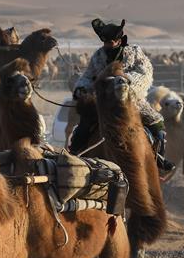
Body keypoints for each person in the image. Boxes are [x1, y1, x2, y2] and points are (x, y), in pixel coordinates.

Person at [71, 18, 175, 172]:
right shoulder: (98, 56)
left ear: (119, 40)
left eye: (111, 41)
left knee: (157, 125)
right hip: (103, 101)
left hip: (131, 100)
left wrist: (126, 82)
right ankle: (75, 156)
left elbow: (145, 72)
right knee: (82, 127)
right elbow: (88, 75)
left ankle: (158, 159)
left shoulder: (134, 52)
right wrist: (82, 87)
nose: (107, 45)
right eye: (105, 42)